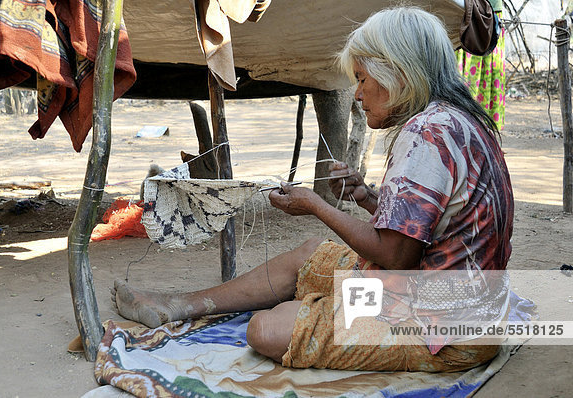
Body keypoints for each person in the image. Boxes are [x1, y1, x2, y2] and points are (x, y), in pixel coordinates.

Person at [112, 6, 514, 372]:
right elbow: (432, 230)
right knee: (307, 255)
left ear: (399, 73)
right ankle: (175, 305)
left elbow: (396, 256)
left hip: (443, 334)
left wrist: (318, 205)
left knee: (265, 330)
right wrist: (369, 198)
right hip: (465, 306)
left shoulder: (425, 134)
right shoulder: (461, 121)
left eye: (362, 79)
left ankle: (319, 310)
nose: (356, 93)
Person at [455, 0, 506, 130]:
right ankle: (463, 126)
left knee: (481, 71)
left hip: (485, 15)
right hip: (462, 12)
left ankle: (483, 130)